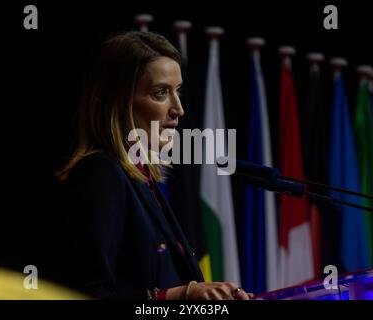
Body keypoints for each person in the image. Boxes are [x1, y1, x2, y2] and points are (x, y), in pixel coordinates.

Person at [54, 31, 251, 300]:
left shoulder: (142, 177)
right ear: (118, 102)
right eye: (161, 93)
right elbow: (87, 293)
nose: (178, 108)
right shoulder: (100, 174)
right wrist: (180, 295)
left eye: (178, 91)